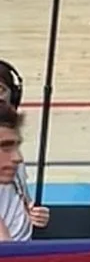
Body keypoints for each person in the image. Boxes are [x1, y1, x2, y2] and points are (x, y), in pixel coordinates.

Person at [0, 64, 48, 239]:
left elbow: (21, 194)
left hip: (25, 246)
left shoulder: (11, 158)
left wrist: (31, 210)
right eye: (5, 146)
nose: (17, 157)